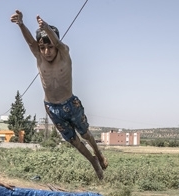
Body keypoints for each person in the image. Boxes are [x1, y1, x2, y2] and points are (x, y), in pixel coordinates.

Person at [10, 10, 108, 180]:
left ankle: (98, 154)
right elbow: (31, 44)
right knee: (73, 140)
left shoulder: (63, 53)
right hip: (51, 108)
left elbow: (59, 43)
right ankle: (93, 162)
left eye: (50, 47)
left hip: (70, 104)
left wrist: (46, 27)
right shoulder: (39, 58)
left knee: (85, 133)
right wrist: (20, 24)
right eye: (43, 48)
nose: (46, 51)